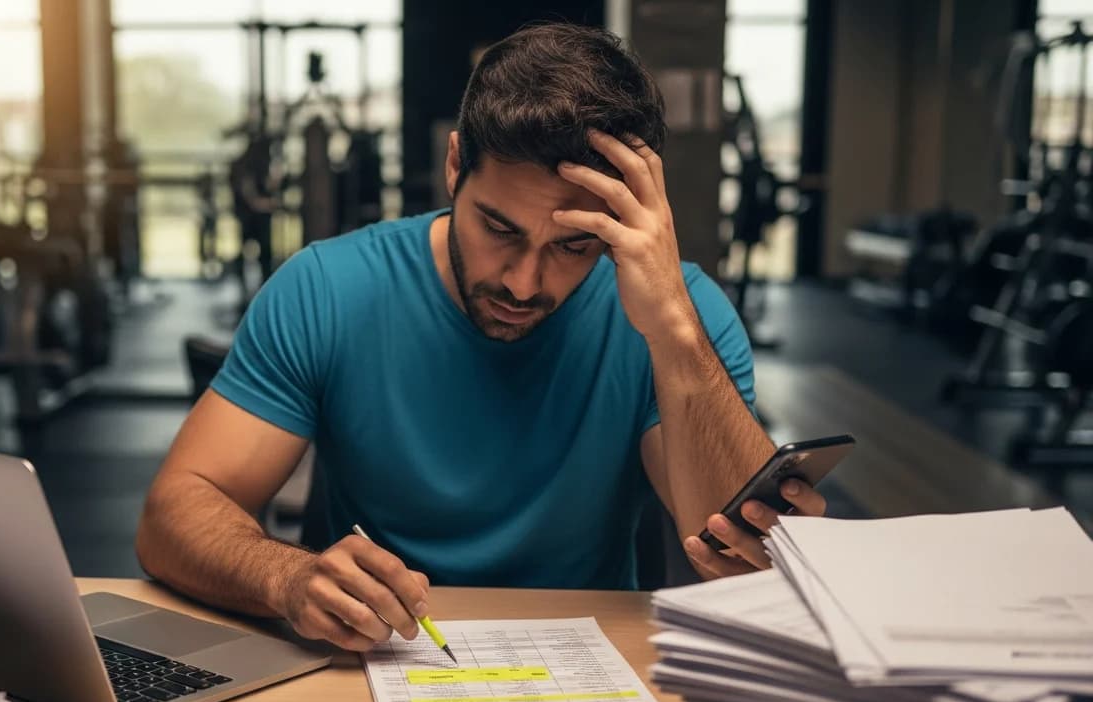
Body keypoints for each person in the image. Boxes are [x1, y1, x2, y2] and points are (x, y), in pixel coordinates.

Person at [137, 22, 827, 653]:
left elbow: (746, 564)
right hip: (368, 661)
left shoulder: (685, 318)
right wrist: (287, 578)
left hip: (593, 672)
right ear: (455, 164)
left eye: (575, 246)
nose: (525, 283)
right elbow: (175, 513)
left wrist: (673, 327)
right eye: (500, 229)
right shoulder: (328, 287)